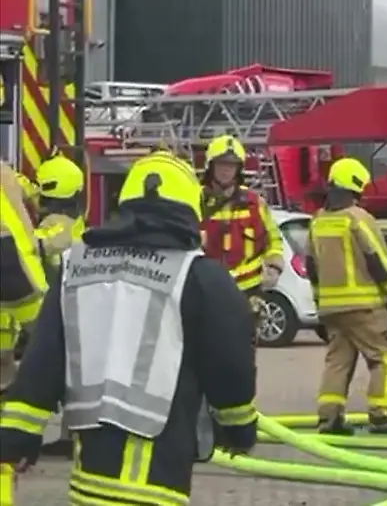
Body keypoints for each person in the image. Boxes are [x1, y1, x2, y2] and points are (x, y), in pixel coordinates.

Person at [0, 151, 259, 503]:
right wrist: (239, 427)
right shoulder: (199, 276)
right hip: (157, 483)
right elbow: (231, 365)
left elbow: (43, 359)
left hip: (88, 480)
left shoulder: (78, 266)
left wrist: (17, 436)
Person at [307, 157, 387, 435]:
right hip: (363, 305)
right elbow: (378, 259)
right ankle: (382, 414)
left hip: (331, 308)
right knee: (384, 356)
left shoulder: (317, 222)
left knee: (338, 360)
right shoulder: (359, 219)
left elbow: (311, 267)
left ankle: (329, 417)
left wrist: (319, 305)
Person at [200, 135, 285, 340]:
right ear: (210, 166)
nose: (226, 170)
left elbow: (274, 240)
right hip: (208, 292)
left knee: (243, 354)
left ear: (239, 169)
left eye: (232, 165)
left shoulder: (255, 203)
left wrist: (274, 267)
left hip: (248, 293)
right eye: (221, 164)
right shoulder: (197, 201)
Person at [31, 153, 88, 459]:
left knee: (56, 375)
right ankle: (70, 437)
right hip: (72, 307)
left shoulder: (61, 224)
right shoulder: (75, 221)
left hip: (61, 310)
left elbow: (39, 243)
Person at [0, 161, 49, 395]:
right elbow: (33, 191)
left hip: (14, 261)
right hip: (17, 262)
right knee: (47, 335)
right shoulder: (5, 171)